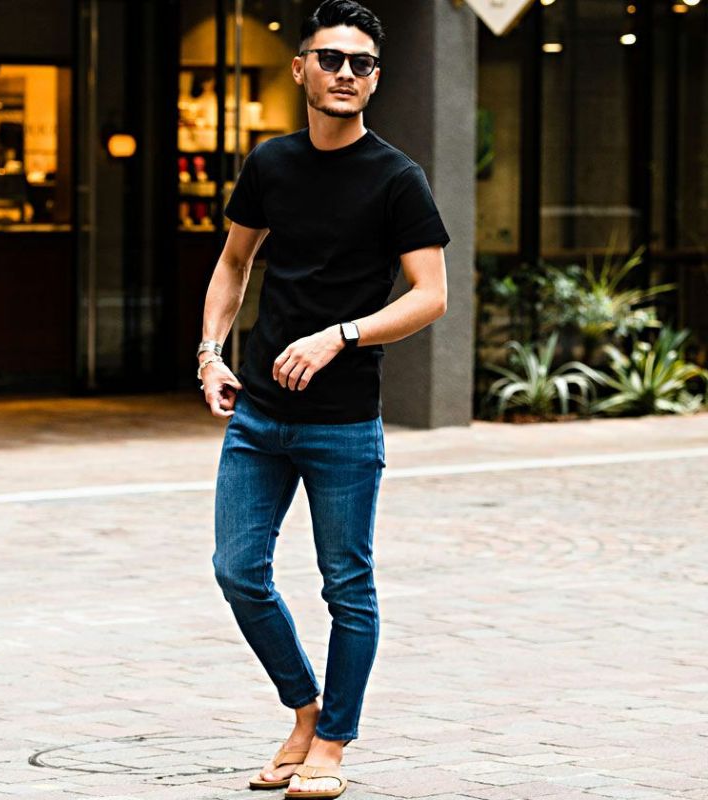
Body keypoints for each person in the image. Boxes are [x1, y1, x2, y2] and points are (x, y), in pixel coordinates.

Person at [197, 1, 450, 796]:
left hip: (343, 422)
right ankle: (305, 711)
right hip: (259, 416)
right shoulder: (270, 164)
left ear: (376, 79)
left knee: (347, 587)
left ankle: (333, 743)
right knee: (238, 571)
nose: (346, 73)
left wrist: (341, 335)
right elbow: (234, 263)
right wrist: (210, 352)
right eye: (331, 58)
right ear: (301, 66)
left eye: (361, 63)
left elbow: (431, 295)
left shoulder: (397, 178)